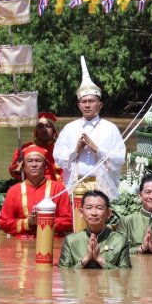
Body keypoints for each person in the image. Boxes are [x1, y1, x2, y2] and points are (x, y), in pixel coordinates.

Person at [53, 57, 126, 201]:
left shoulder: (110, 128)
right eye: (83, 102)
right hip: (76, 184)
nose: (87, 105)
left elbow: (119, 159)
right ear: (78, 105)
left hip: (101, 186)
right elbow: (58, 157)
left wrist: (97, 150)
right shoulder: (69, 128)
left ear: (99, 105)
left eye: (91, 101)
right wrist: (75, 151)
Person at [0, 145, 73, 238]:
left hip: (51, 242)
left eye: (38, 161)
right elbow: (4, 223)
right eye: (30, 161)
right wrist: (27, 222)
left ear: (45, 166)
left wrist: (43, 220)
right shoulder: (14, 191)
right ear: (23, 166)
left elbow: (68, 221)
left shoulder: (59, 189)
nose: (34, 165)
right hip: (22, 243)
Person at [58, 190, 131, 269]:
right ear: (81, 213)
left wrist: (100, 260)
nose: (94, 213)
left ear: (108, 213)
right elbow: (63, 272)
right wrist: (85, 260)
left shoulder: (120, 241)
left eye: (99, 208)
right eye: (89, 208)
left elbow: (125, 273)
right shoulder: (71, 241)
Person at [9, 112, 62, 181]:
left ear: (54, 131)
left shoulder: (62, 148)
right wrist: (18, 168)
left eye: (48, 126)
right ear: (35, 131)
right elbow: (14, 172)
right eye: (40, 126)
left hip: (59, 187)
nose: (44, 129)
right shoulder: (24, 149)